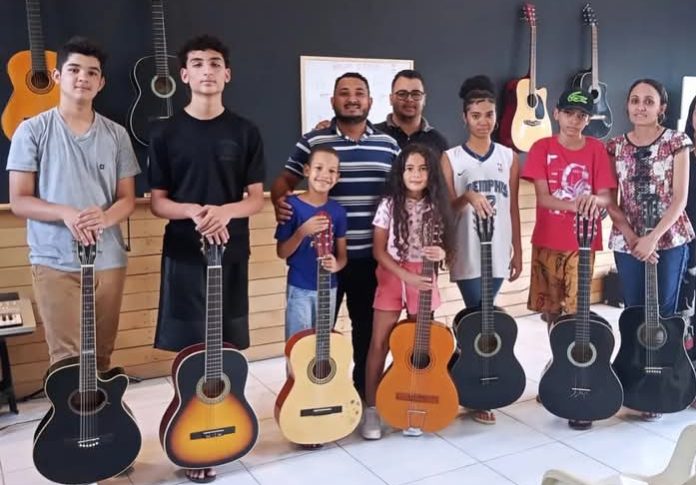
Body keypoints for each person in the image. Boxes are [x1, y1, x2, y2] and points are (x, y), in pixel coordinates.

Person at [148, 34, 265, 483]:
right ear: (184, 75)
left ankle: (222, 428)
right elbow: (158, 202)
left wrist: (223, 212)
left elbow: (254, 200)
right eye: (197, 63)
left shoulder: (246, 131)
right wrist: (195, 213)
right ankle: (191, 431)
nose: (207, 70)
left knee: (225, 347)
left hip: (231, 253)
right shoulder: (165, 132)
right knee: (189, 350)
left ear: (227, 74)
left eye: (215, 63)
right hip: (184, 253)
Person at [7, 36, 140, 373]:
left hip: (108, 261)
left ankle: (101, 410)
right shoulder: (31, 131)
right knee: (67, 364)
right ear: (57, 76)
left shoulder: (117, 135)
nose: (83, 78)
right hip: (54, 259)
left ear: (101, 82)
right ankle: (71, 411)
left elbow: (127, 198)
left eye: (92, 72)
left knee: (101, 358)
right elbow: (19, 200)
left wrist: (105, 218)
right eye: (74, 70)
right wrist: (65, 213)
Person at [271, 72, 399, 399]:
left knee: (365, 331)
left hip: (370, 258)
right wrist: (281, 207)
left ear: (370, 101)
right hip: (320, 261)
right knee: (313, 337)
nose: (352, 99)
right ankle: (310, 396)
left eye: (359, 93)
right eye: (344, 93)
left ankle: (358, 395)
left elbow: (402, 192)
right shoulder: (313, 142)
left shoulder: (388, 145)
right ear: (333, 100)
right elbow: (284, 181)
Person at [521, 88, 616, 430]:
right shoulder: (541, 148)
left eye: (582, 115)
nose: (576, 120)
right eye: (570, 113)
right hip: (547, 241)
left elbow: (605, 197)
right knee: (551, 311)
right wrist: (578, 204)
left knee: (577, 312)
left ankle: (577, 372)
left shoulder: (596, 149)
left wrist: (595, 200)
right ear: (556, 113)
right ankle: (558, 362)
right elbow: (544, 198)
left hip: (583, 244)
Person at [606, 79, 694, 421]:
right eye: (635, 100)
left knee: (664, 315)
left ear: (662, 108)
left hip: (669, 240)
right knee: (634, 313)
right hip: (627, 242)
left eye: (649, 101)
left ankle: (662, 387)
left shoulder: (677, 142)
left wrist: (653, 238)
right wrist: (633, 238)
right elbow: (610, 200)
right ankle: (636, 384)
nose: (640, 107)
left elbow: (680, 198)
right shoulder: (614, 146)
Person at [440, 75, 522, 425]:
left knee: (482, 316)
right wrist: (467, 196)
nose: (483, 121)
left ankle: (473, 385)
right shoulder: (451, 158)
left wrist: (518, 249)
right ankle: (473, 387)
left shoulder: (508, 156)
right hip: (467, 248)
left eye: (489, 114)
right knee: (478, 315)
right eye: (476, 115)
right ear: (465, 118)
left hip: (499, 247)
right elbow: (447, 209)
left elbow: (512, 206)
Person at [360, 143, 455, 440]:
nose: (416, 174)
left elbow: (447, 246)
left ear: (432, 173)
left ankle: (415, 402)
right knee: (379, 344)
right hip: (392, 275)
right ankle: (372, 409)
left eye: (423, 168)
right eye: (410, 168)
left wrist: (442, 253)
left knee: (419, 347)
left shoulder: (438, 205)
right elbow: (378, 250)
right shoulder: (389, 204)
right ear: (400, 172)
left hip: (423, 277)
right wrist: (404, 276)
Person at [275, 146, 347, 341]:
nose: (325, 175)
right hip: (299, 288)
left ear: (337, 177)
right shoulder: (291, 206)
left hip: (329, 288)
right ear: (307, 170)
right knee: (298, 346)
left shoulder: (338, 211)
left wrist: (337, 265)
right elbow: (281, 252)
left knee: (323, 344)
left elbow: (342, 257)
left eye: (331, 171)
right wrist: (301, 232)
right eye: (319, 168)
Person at [374, 69, 448, 155]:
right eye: (402, 94)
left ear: (424, 99)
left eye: (416, 94)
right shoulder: (373, 136)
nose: (409, 99)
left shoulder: (438, 142)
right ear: (391, 99)